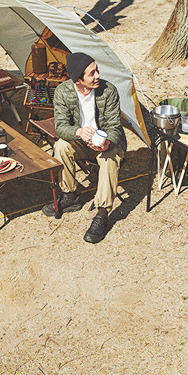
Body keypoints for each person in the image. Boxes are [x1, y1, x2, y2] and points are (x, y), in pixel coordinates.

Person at [43, 52, 126, 244]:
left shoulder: (108, 90)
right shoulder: (63, 92)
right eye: (91, 73)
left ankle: (102, 213)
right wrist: (78, 132)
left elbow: (115, 126)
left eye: (97, 70)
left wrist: (108, 142)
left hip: (106, 143)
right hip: (81, 142)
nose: (97, 75)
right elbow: (61, 126)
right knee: (61, 146)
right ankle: (70, 195)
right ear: (78, 79)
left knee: (109, 156)